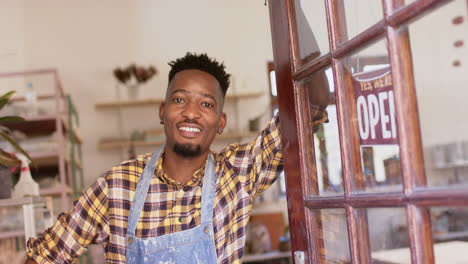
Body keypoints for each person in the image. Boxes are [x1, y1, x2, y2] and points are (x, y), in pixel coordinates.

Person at [25, 53, 284, 264]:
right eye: (180, 99)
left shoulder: (237, 173)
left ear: (221, 122)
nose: (191, 113)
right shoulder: (116, 187)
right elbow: (46, 255)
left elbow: (302, 114)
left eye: (206, 104)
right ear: (163, 111)